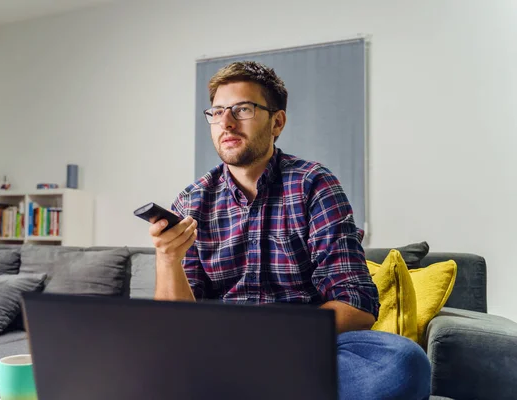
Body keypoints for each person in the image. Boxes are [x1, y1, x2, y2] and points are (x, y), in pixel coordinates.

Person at [148, 61, 431, 400]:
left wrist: (269, 344)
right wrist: (167, 260)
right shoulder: (190, 201)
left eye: (243, 109)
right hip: (219, 351)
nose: (226, 122)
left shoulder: (314, 184)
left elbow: (355, 303)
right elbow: (176, 326)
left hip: (304, 347)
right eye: (218, 111)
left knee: (402, 361)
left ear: (277, 121)